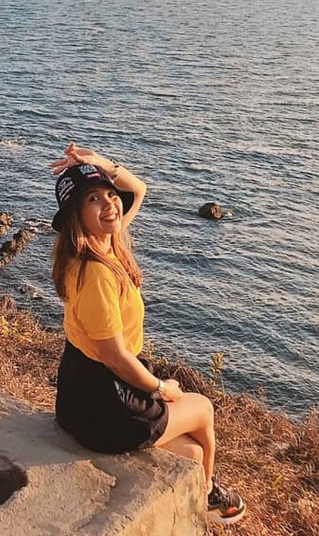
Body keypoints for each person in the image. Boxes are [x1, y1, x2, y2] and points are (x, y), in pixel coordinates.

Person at [50, 142, 246, 526]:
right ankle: (210, 493)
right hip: (105, 402)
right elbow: (115, 357)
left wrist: (98, 164)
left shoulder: (105, 245)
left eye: (109, 194)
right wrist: (160, 388)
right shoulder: (96, 274)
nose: (110, 204)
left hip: (83, 395)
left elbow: (137, 189)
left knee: (189, 452)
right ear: (76, 214)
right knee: (202, 407)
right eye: (94, 199)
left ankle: (201, 484)